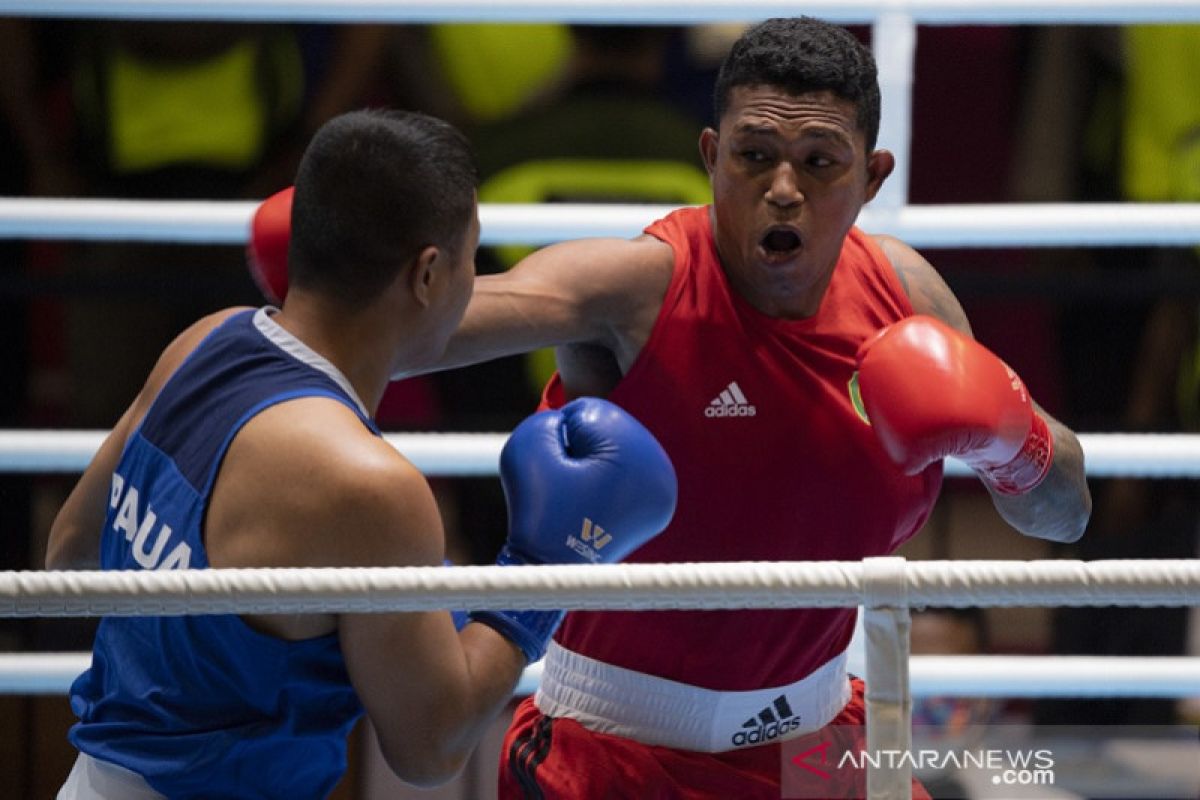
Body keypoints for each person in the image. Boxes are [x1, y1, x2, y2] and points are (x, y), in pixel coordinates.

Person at [249, 17, 1092, 798]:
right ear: (710, 154)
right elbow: (428, 331)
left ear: (872, 176)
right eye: (755, 156)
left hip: (816, 744)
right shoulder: (636, 290)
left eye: (820, 162)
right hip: (615, 750)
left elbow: (1063, 515)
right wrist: (340, 278)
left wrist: (1008, 436)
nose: (785, 190)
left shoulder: (907, 298)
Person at [44, 108, 677, 800]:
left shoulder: (205, 342)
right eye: (472, 256)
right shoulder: (367, 486)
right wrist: (545, 568)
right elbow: (431, 747)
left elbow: (73, 552)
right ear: (430, 274)